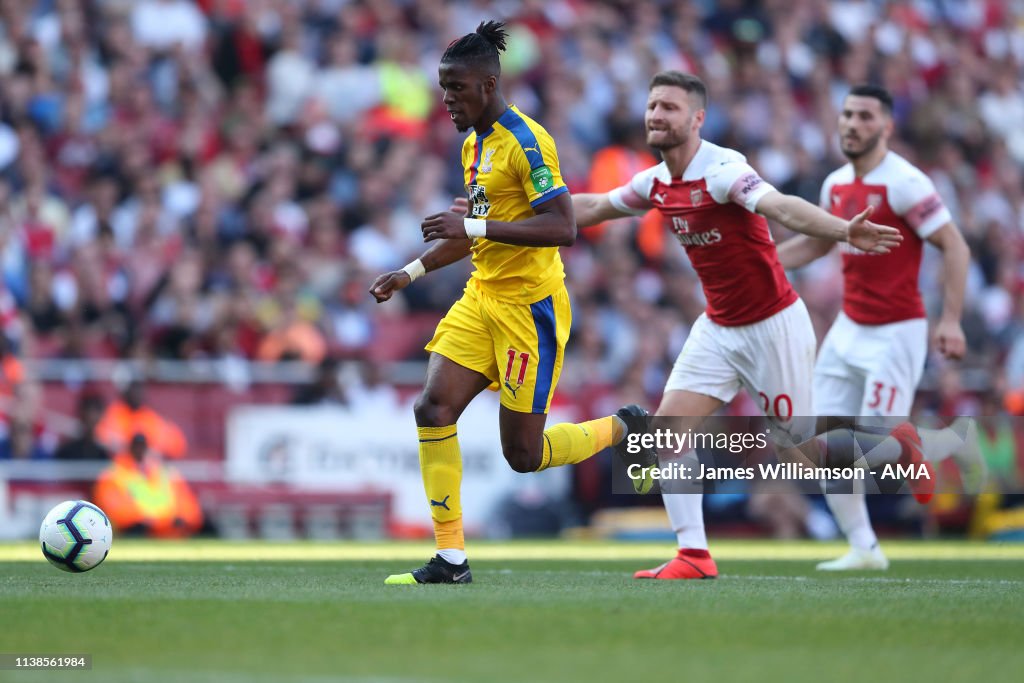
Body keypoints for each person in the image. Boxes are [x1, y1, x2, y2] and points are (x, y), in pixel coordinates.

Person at [570, 71, 903, 580]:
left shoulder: (724, 170)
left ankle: (864, 541)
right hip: (719, 327)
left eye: (670, 107)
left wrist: (843, 231)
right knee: (665, 433)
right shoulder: (656, 182)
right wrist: (511, 214)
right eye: (653, 105)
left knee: (803, 451)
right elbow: (593, 205)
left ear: (697, 118)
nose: (657, 115)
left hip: (774, 327)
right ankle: (694, 556)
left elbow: (780, 207)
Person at [368, 21, 653, 585]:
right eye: (443, 88)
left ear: (489, 84)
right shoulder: (474, 143)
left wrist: (472, 221)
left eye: (456, 88)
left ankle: (622, 426)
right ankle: (450, 559)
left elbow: (563, 225)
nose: (446, 100)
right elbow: (474, 230)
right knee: (432, 409)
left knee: (522, 456)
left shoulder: (528, 141)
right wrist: (410, 271)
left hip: (529, 311)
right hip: (482, 297)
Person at [776, 85, 974, 570]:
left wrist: (950, 319)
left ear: (886, 127)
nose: (852, 124)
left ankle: (917, 442)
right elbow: (818, 245)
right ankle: (864, 549)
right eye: (846, 115)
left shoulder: (906, 183)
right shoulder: (835, 184)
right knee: (811, 438)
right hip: (849, 328)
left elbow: (956, 245)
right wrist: (762, 263)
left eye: (865, 116)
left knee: (870, 441)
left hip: (896, 330)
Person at [93, 433, 204, 538]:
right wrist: (143, 521)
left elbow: (187, 504)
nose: (139, 450)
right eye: (136, 446)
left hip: (167, 529)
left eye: (142, 446)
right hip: (138, 531)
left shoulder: (163, 472)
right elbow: (114, 509)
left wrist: (184, 519)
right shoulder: (115, 473)